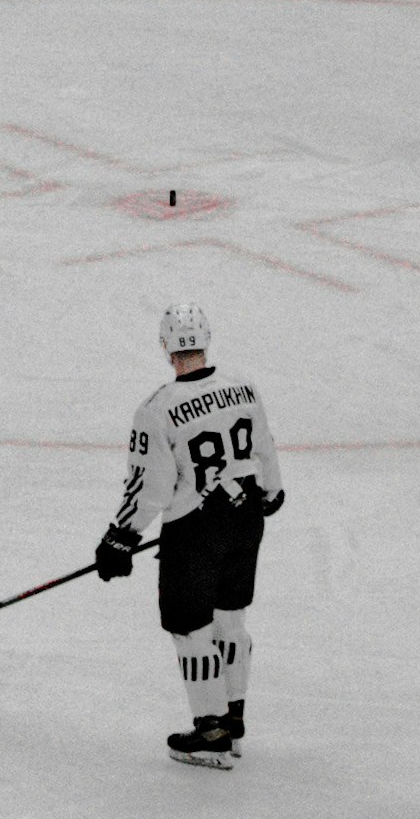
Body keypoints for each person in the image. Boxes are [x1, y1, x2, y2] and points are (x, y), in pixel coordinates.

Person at [92, 299, 285, 770]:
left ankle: (211, 731)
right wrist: (273, 491)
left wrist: (121, 536)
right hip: (246, 520)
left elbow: (152, 487)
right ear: (206, 340)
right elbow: (264, 447)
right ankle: (234, 722)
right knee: (231, 620)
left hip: (194, 532)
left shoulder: (157, 410)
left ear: (165, 348)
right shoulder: (243, 389)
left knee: (189, 628)